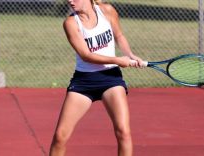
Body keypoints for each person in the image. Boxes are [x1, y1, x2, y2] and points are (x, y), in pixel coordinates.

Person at [49, 0, 144, 156]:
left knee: (123, 132)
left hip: (111, 79)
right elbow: (86, 55)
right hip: (83, 82)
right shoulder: (71, 23)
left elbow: (119, 36)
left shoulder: (107, 10)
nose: (70, 1)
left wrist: (131, 55)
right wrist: (118, 60)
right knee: (60, 136)